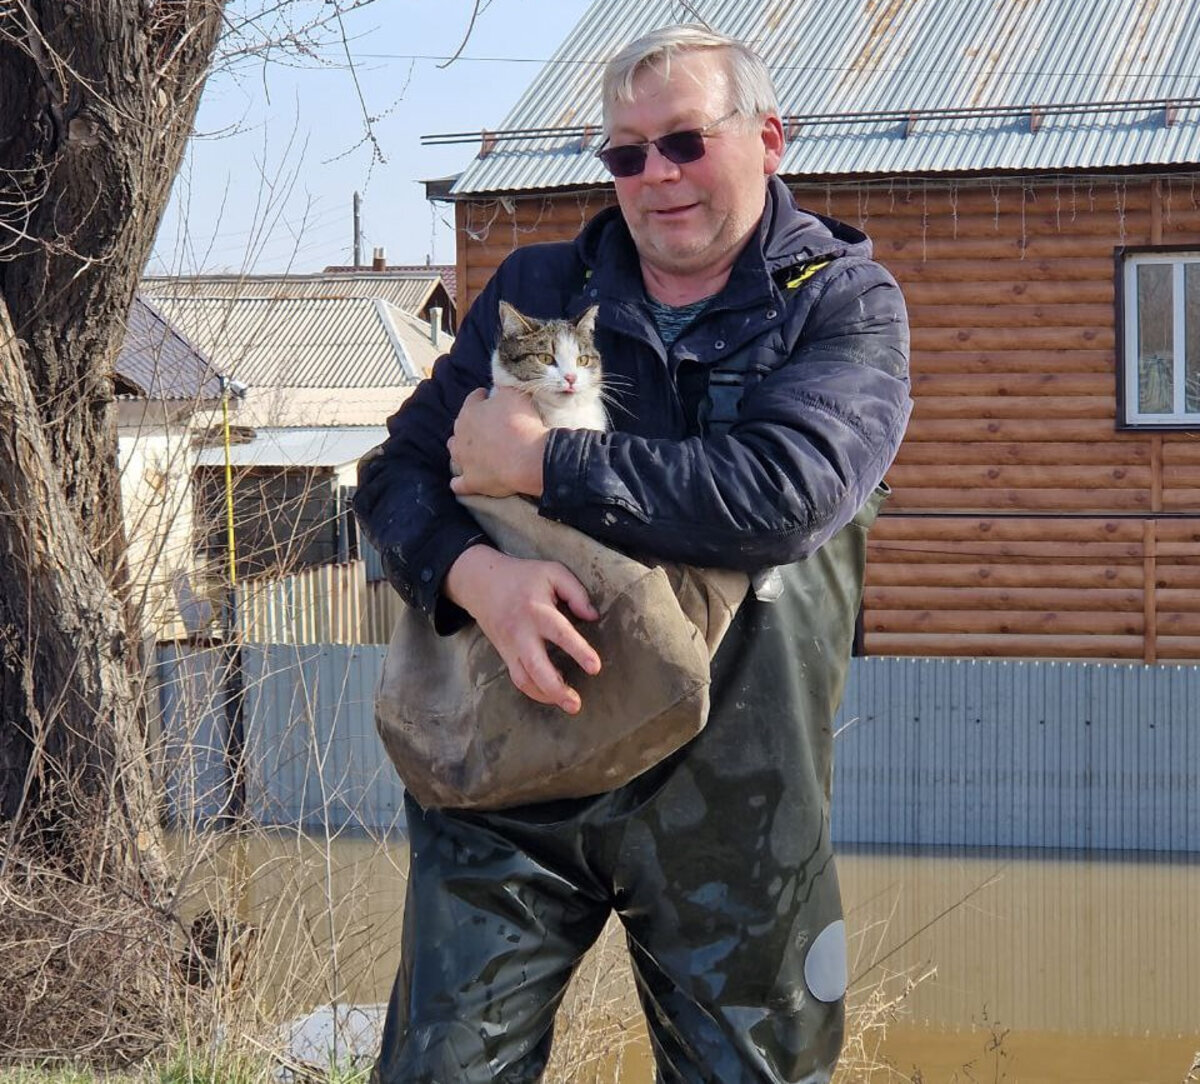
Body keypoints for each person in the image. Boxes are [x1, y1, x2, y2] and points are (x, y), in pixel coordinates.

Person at [354, 24, 911, 1084]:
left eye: (687, 141)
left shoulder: (840, 305)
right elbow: (394, 481)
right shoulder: (538, 289)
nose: (657, 176)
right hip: (513, 772)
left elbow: (782, 498)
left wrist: (543, 464)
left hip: (737, 807)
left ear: (769, 139)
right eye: (626, 153)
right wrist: (484, 578)